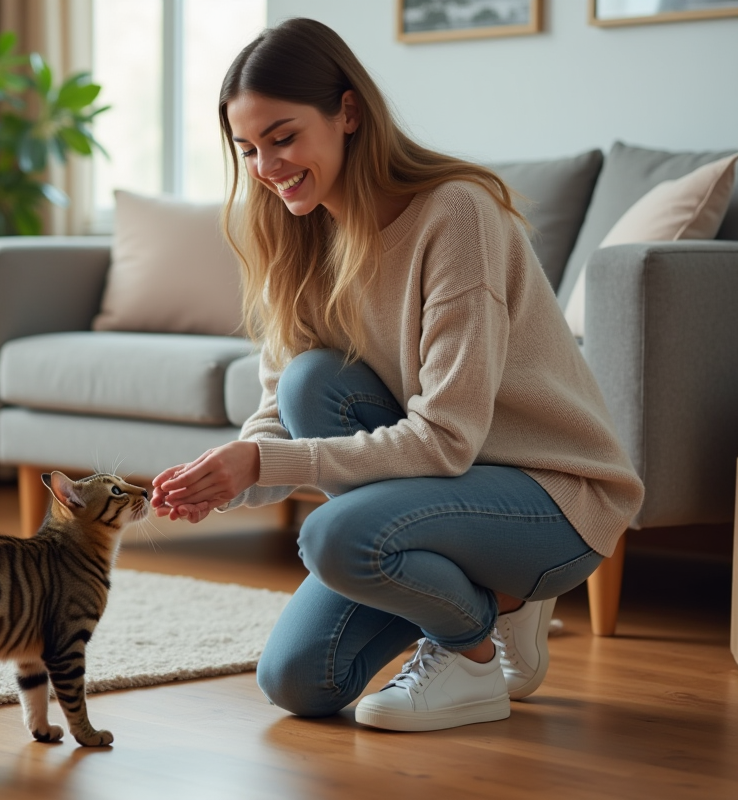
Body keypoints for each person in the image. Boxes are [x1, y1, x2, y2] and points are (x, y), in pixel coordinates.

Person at [150, 17, 644, 733]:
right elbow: (280, 410)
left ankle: (473, 653)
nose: (265, 167)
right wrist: (231, 476)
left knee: (331, 536)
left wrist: (264, 462)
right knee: (297, 681)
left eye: (283, 138)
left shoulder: (456, 216)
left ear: (348, 113)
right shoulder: (296, 237)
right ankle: (502, 598)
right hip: (442, 495)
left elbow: (447, 439)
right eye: (248, 148)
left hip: (551, 497)